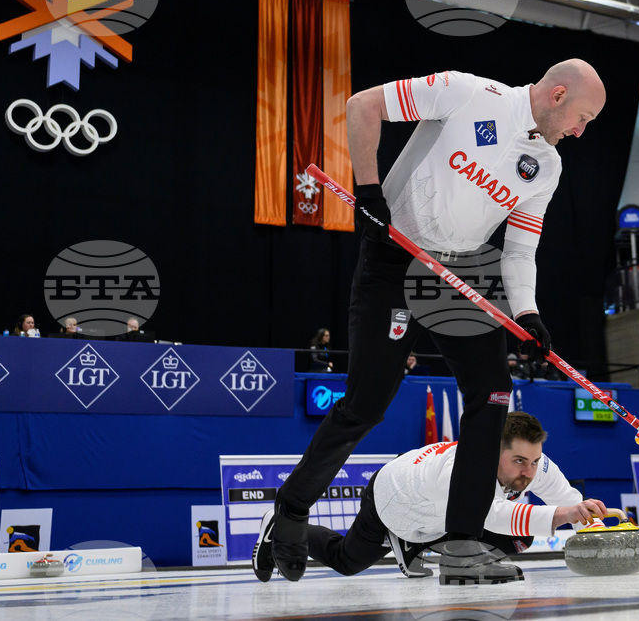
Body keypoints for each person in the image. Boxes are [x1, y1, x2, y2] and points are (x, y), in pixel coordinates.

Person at [263, 59, 606, 586]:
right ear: (558, 94)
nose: (581, 132)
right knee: (365, 404)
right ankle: (289, 513)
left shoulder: (548, 164)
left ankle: (464, 541)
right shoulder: (468, 93)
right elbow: (362, 106)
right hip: (395, 256)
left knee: (493, 389)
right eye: (582, 118)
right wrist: (371, 192)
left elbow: (519, 249)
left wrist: (527, 312)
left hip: (458, 270)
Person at [255, 412, 605, 582]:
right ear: (492, 450)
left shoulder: (532, 464)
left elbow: (565, 496)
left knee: (521, 532)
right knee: (348, 562)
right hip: (392, 499)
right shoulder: (462, 470)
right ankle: (279, 528)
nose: (527, 472)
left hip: (432, 509)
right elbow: (493, 516)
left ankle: (414, 545)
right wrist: (563, 516)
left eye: (534, 461)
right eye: (518, 461)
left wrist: (594, 527)